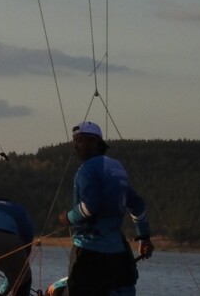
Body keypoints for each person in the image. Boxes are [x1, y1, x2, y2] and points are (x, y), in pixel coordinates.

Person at [57, 121, 154, 296]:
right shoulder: (117, 168)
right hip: (117, 251)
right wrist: (144, 238)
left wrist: (67, 218)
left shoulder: (87, 170)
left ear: (94, 142)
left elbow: (89, 207)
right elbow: (137, 204)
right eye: (75, 141)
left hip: (89, 249)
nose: (75, 146)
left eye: (79, 140)